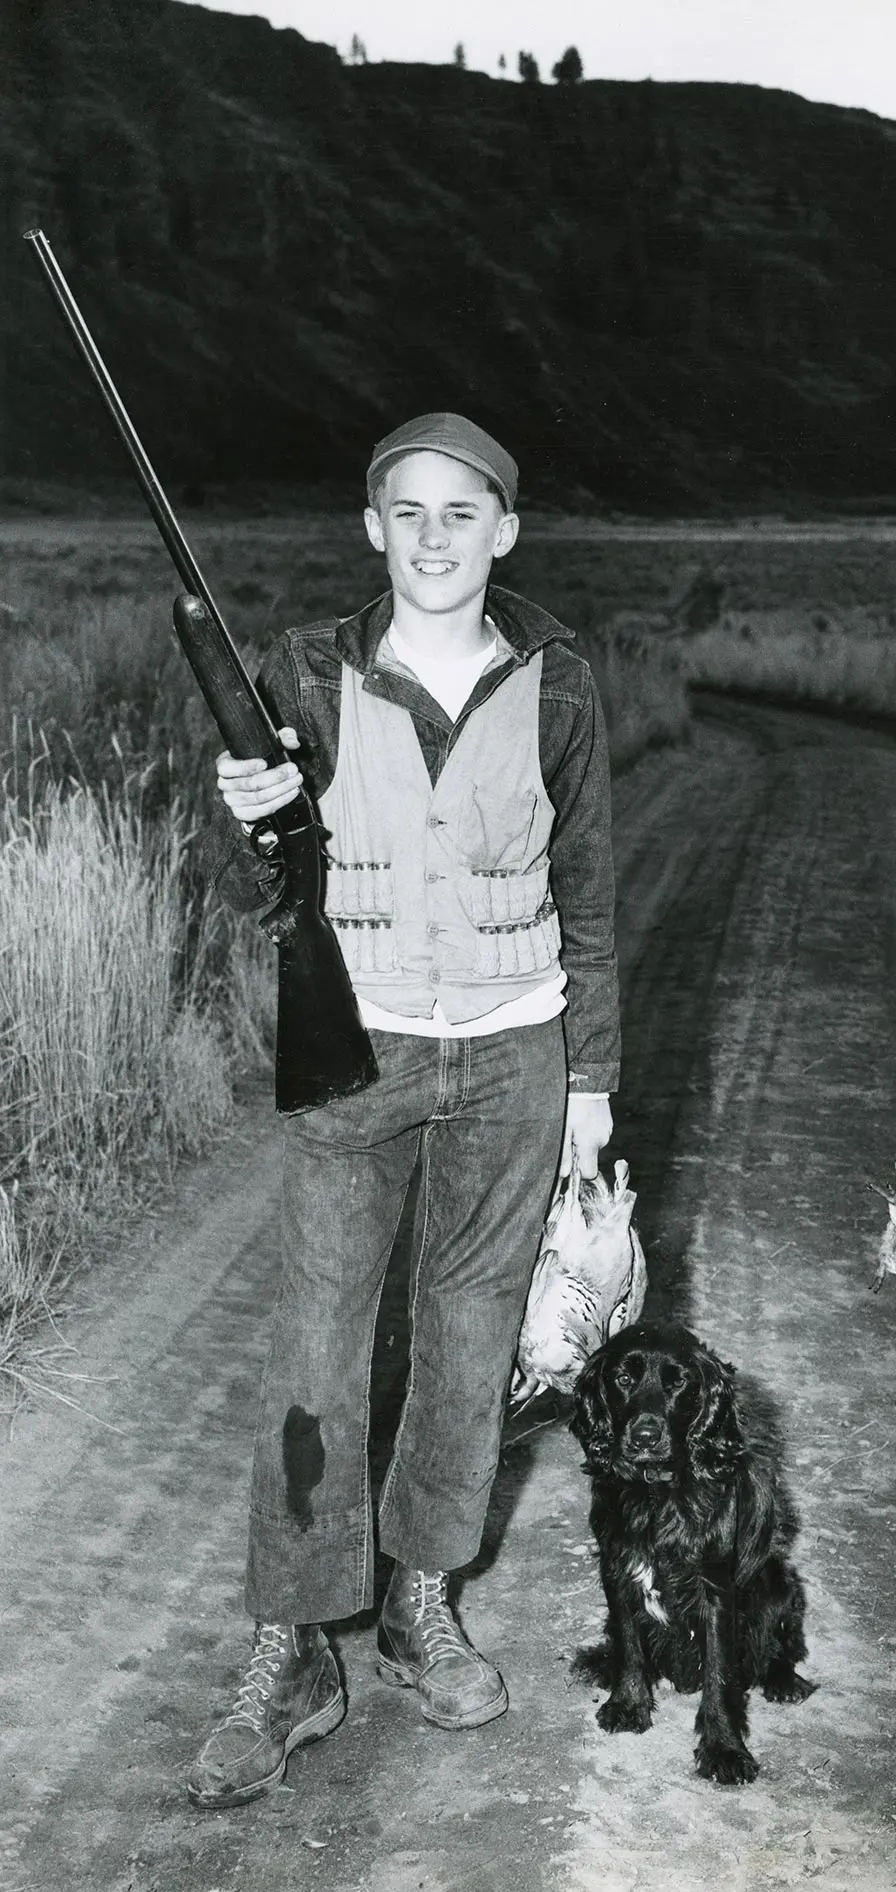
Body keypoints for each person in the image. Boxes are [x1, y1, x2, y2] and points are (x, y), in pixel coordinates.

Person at [187, 413, 619, 1809]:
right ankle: (294, 1643)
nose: (435, 537)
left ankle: (420, 1599)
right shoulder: (305, 672)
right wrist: (247, 809)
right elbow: (258, 876)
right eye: (408, 513)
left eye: (463, 512)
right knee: (318, 1352)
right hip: (355, 1050)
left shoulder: (558, 682)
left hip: (512, 1054)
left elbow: (594, 900)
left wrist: (594, 1083)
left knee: (468, 1342)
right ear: (373, 529)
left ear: (507, 527)